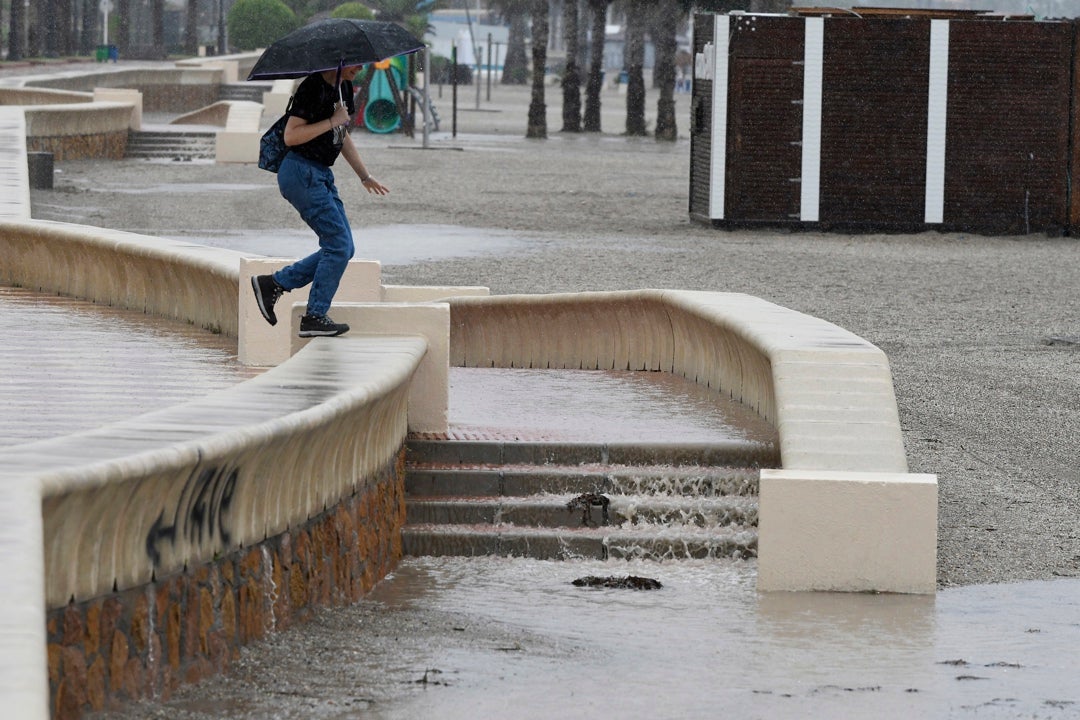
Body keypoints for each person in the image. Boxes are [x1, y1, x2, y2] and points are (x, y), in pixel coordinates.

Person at [251, 63, 389, 337]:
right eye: (355, 63)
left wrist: (364, 175)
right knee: (337, 245)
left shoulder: (344, 87)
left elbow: (342, 133)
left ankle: (275, 284)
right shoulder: (313, 87)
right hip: (300, 172)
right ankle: (314, 315)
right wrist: (331, 120)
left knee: (344, 247)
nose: (359, 68)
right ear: (338, 61)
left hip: (320, 173)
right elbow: (291, 136)